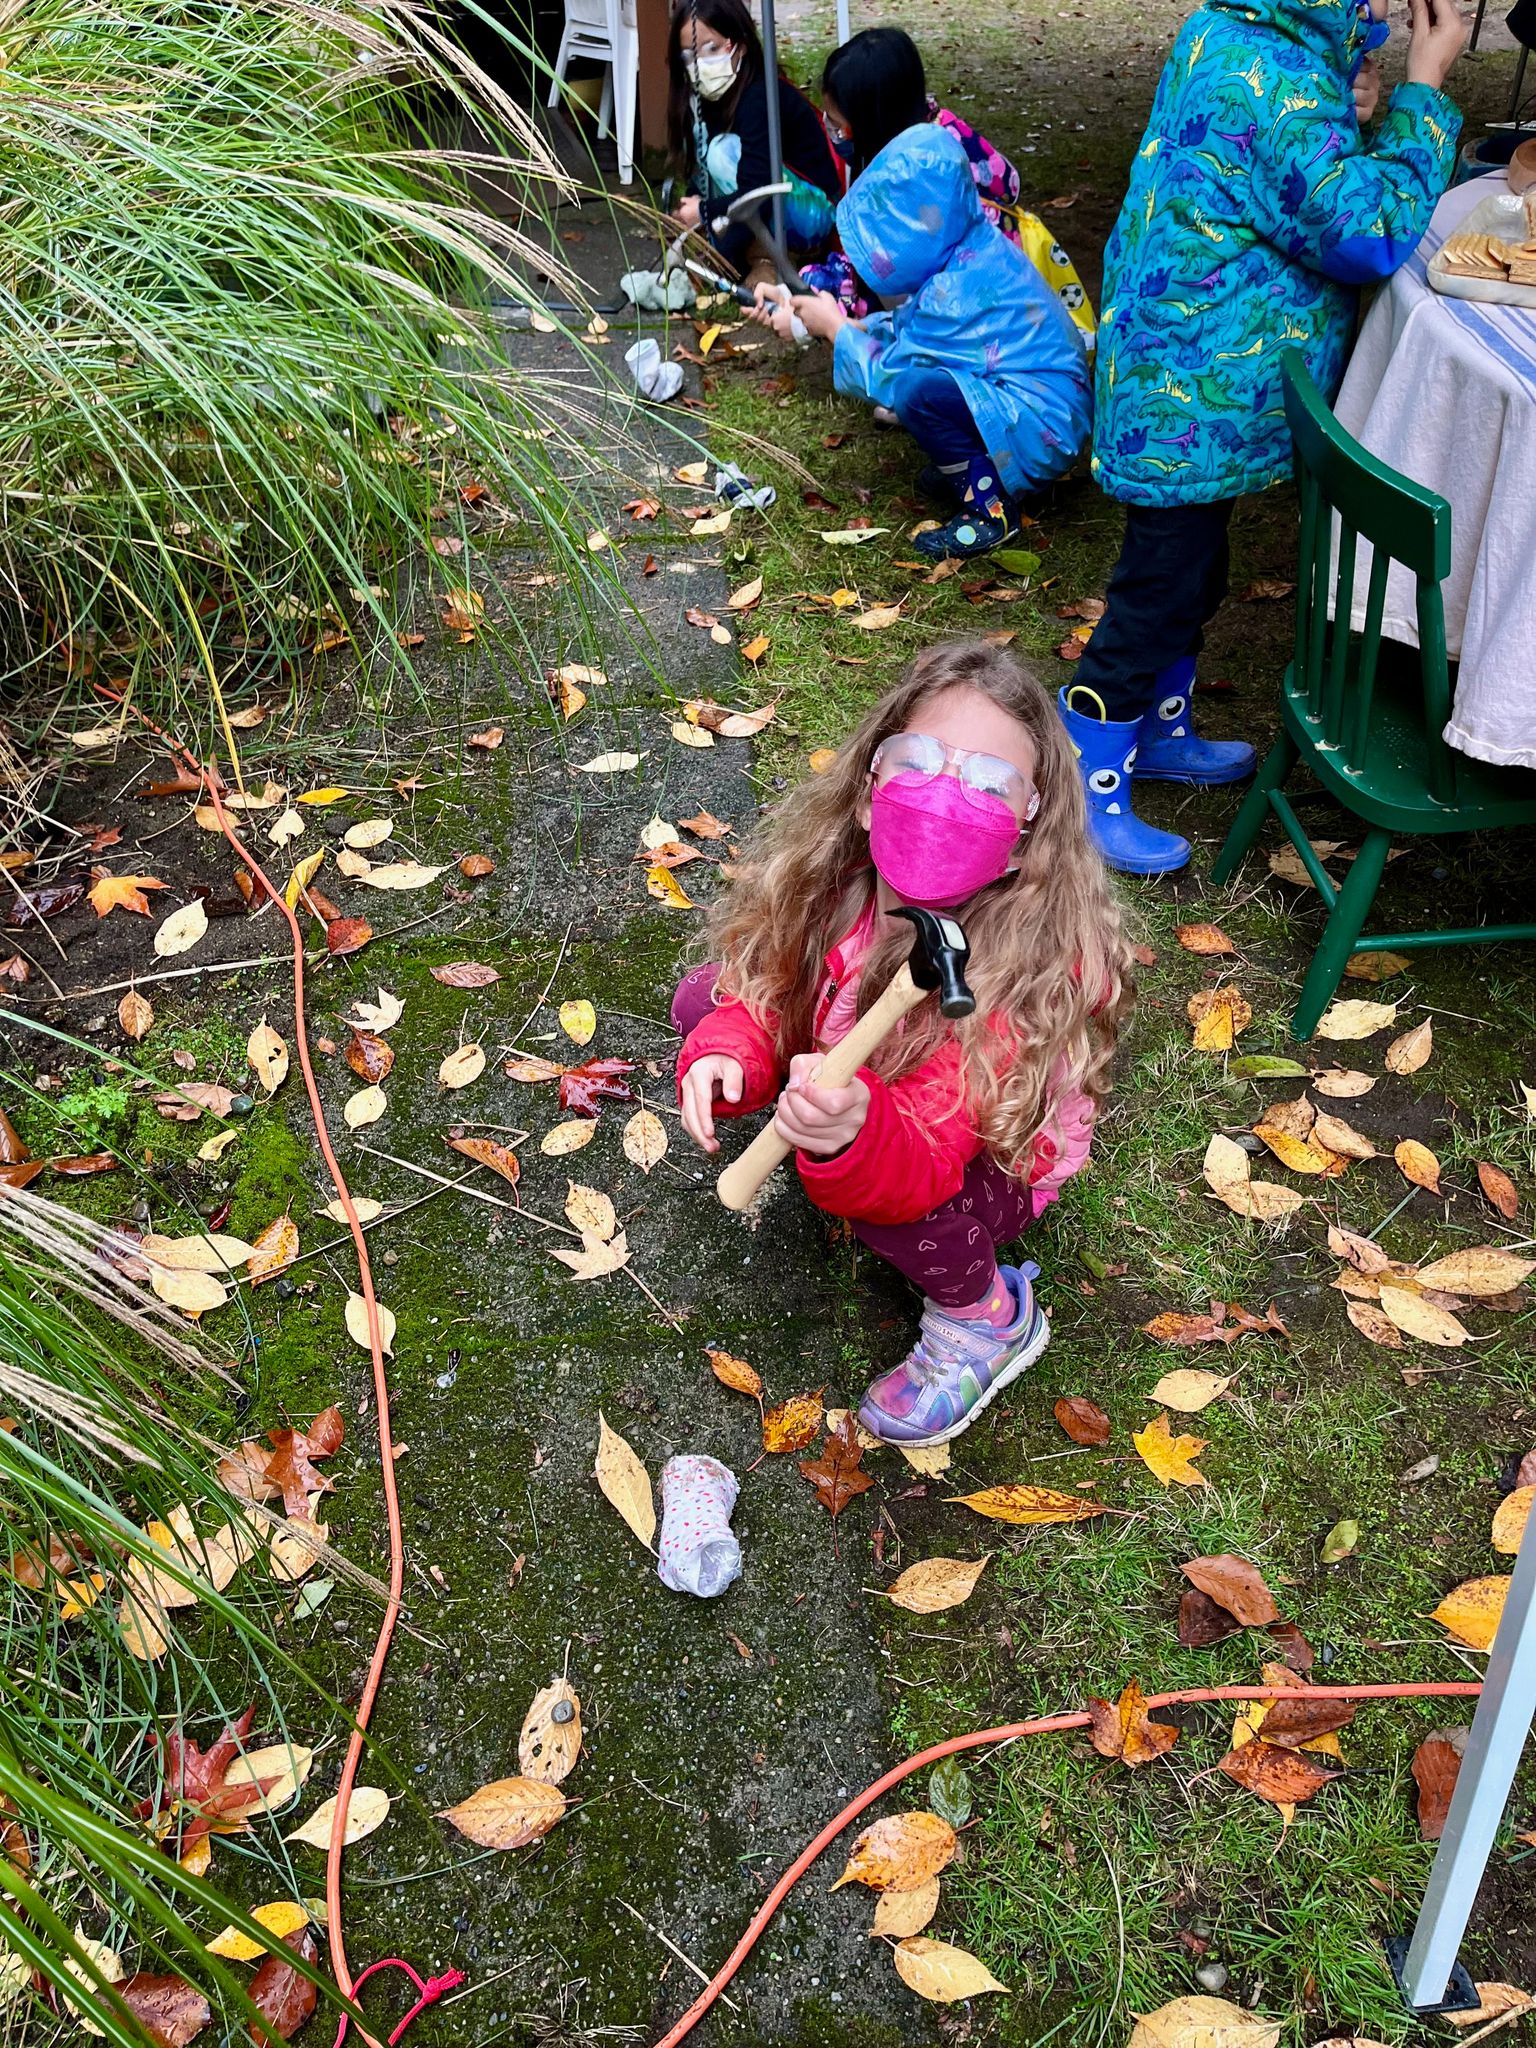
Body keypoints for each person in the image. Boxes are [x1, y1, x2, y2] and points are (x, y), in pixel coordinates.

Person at [673, 641, 1132, 1449]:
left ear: (1028, 835)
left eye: (991, 782)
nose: (946, 795)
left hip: (981, 1155)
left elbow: (923, 1156)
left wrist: (854, 1133)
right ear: (866, 791)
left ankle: (987, 1319)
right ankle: (823, 1122)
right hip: (871, 1084)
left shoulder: (1015, 979)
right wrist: (732, 1052)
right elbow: (770, 991)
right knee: (705, 997)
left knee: (892, 1203)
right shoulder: (833, 890)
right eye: (918, 760)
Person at [1069, 0, 1467, 876]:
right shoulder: (1277, 80)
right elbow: (1367, 234)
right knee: (1156, 591)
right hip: (1185, 396)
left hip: (1181, 373)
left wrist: (1348, 91)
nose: (1396, 7)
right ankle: (1082, 769)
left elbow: (1291, 170)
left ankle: (1158, 730)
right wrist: (1424, 87)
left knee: (1195, 569)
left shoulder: (1244, 31)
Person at [754, 120, 1092, 560]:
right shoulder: (971, 247)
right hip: (1047, 409)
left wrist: (834, 328)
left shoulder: (955, 290)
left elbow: (890, 376)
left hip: (1043, 425)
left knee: (917, 393)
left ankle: (991, 512)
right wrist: (824, 315)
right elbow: (910, 332)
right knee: (926, 384)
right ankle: (986, 466)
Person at [799, 27, 1097, 359]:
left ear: (873, 120)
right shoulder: (931, 136)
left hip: (981, 325)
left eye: (840, 126)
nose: (835, 134)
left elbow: (905, 284)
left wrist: (840, 320)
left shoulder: (919, 176)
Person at [666, 0, 842, 281]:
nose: (699, 65)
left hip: (814, 214)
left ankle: (769, 259)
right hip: (769, 199)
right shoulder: (707, 98)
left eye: (712, 48)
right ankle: (740, 251)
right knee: (706, 145)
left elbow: (756, 189)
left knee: (721, 153)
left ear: (740, 44)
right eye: (689, 56)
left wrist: (703, 212)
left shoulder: (758, 95)